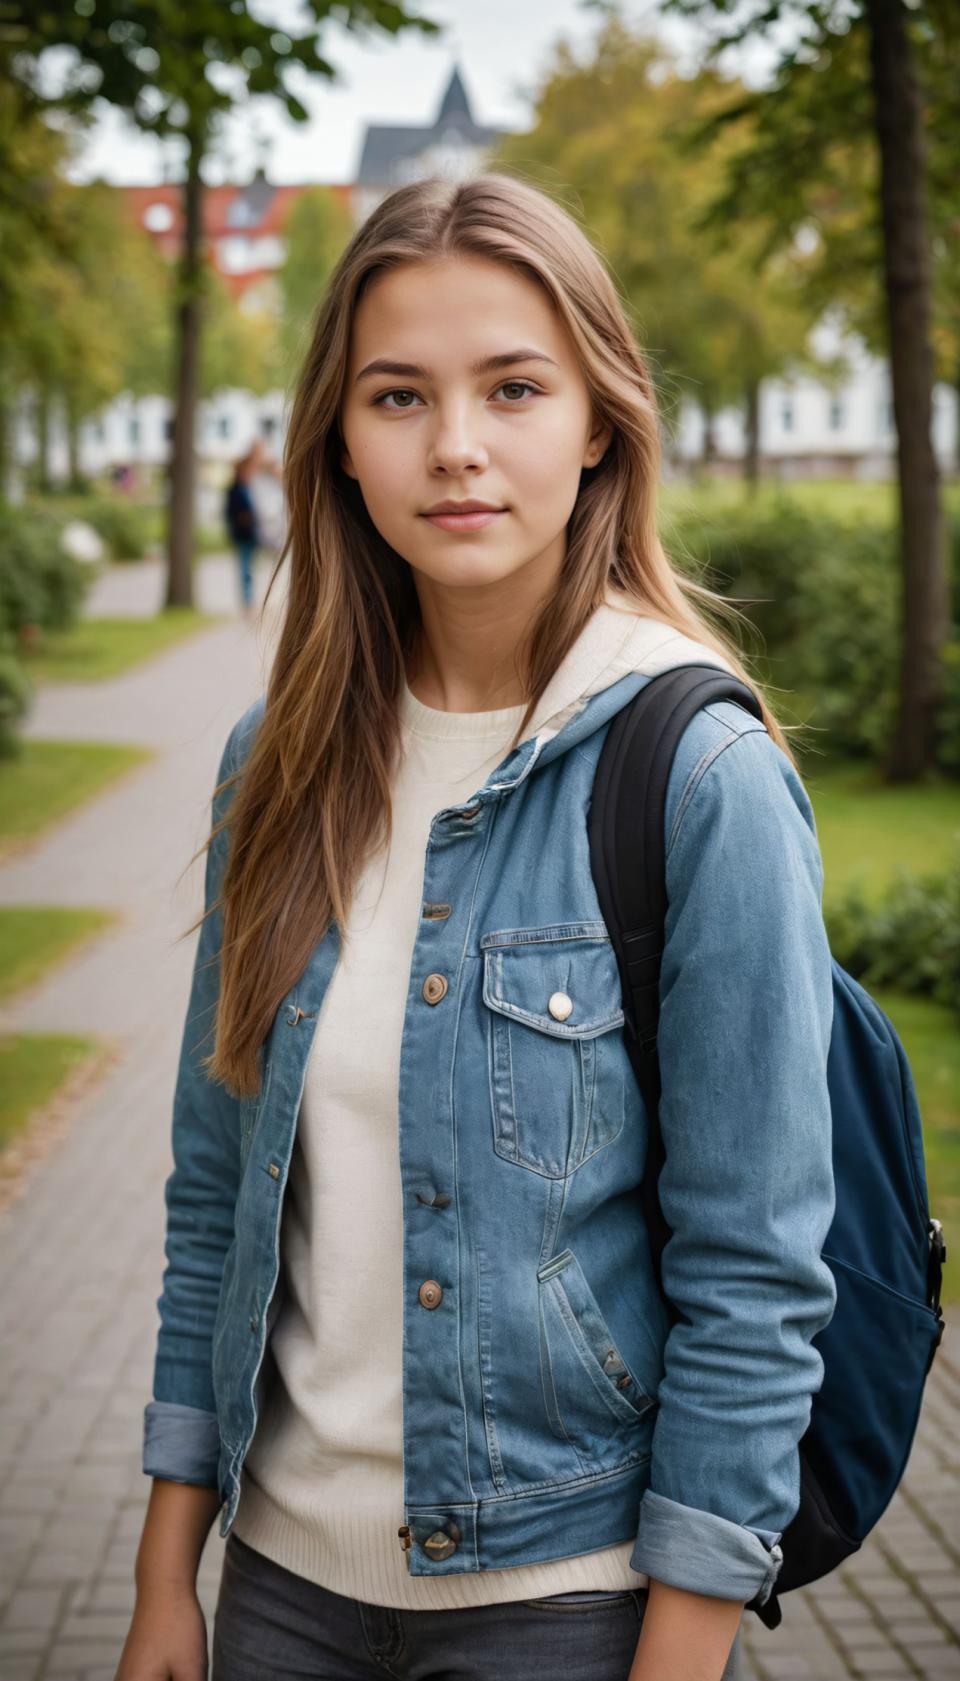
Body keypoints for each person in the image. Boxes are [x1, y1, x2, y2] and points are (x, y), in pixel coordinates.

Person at [117, 172, 837, 1681]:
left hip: (566, 1604)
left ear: (598, 421)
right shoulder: (280, 763)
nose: (455, 445)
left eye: (513, 386)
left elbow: (756, 1273)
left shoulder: (698, 774)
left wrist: (681, 1654)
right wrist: (165, 1573)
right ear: (340, 439)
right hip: (274, 1592)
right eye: (398, 395)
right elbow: (214, 1194)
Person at [224, 443, 266, 618]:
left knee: (250, 568)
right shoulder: (236, 490)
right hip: (243, 534)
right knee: (245, 568)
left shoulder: (249, 488)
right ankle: (247, 602)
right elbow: (234, 513)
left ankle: (250, 600)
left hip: (252, 533)